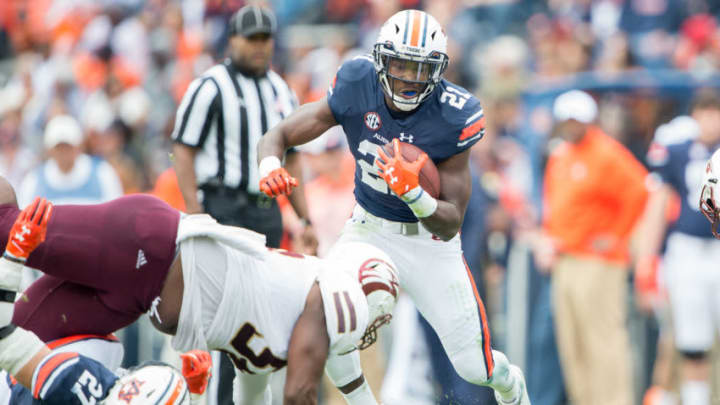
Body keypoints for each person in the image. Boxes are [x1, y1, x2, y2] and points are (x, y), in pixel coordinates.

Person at [257, 9, 529, 405]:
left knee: (475, 367)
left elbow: (452, 221)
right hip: (368, 228)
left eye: (420, 69)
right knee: (334, 317)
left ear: (438, 71)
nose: (407, 77)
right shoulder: (356, 81)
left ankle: (510, 384)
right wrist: (269, 164)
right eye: (399, 64)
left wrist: (414, 193)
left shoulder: (455, 113)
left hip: (429, 243)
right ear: (381, 58)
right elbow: (280, 133)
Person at [0, 178, 398, 405]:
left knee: (16, 337)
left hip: (139, 297)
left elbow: (256, 399)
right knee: (7, 228)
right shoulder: (330, 293)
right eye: (376, 315)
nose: (369, 329)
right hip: (146, 247)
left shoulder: (278, 337)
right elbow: (301, 392)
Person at [171, 6, 317, 398]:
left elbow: (295, 158)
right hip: (223, 206)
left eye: (265, 38)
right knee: (224, 316)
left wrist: (305, 218)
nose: (259, 46)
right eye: (251, 38)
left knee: (263, 313)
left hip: (267, 210)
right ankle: (216, 396)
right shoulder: (210, 86)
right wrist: (197, 212)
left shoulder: (281, 90)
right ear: (232, 39)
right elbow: (183, 150)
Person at [0, 197, 209, 404]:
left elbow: (4, 339)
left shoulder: (76, 385)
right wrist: (194, 394)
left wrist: (15, 255)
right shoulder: (93, 386)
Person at [540, 90, 649, 405]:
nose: (572, 126)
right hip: (566, 259)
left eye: (577, 120)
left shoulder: (606, 153)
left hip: (598, 262)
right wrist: (548, 238)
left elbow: (641, 192)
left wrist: (617, 235)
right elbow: (554, 204)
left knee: (603, 341)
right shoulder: (560, 155)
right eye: (567, 120)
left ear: (590, 121)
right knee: (572, 343)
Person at [640, 91, 720, 405]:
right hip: (686, 251)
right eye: (705, 112)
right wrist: (647, 262)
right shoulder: (676, 152)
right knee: (691, 339)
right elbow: (657, 207)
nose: (710, 120)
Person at [17, 114, 123, 207]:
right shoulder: (33, 181)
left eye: (68, 146)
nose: (63, 152)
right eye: (59, 147)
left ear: (79, 147)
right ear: (49, 150)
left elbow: (116, 213)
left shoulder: (103, 173)